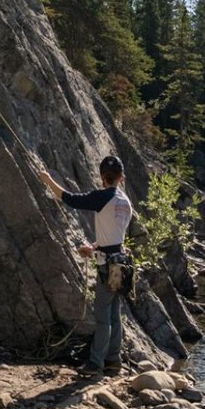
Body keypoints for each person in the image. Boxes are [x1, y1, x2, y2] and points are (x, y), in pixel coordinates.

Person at [40, 154, 133, 379]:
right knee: (113, 315)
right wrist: (93, 246)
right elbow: (114, 236)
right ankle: (113, 360)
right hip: (121, 263)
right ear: (121, 178)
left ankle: (95, 362)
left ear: (102, 177)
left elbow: (71, 199)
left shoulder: (103, 197)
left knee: (102, 316)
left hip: (106, 265)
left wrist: (47, 180)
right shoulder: (125, 202)